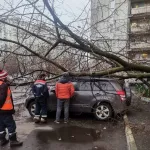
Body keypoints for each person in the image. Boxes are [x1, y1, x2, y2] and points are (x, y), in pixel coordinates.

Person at [0, 70, 23, 147]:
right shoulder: (3, 85)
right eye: (5, 76)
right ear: (3, 77)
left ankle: (2, 140)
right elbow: (2, 98)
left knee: (1, 125)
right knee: (11, 125)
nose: (7, 77)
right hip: (5, 110)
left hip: (2, 111)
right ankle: (13, 141)